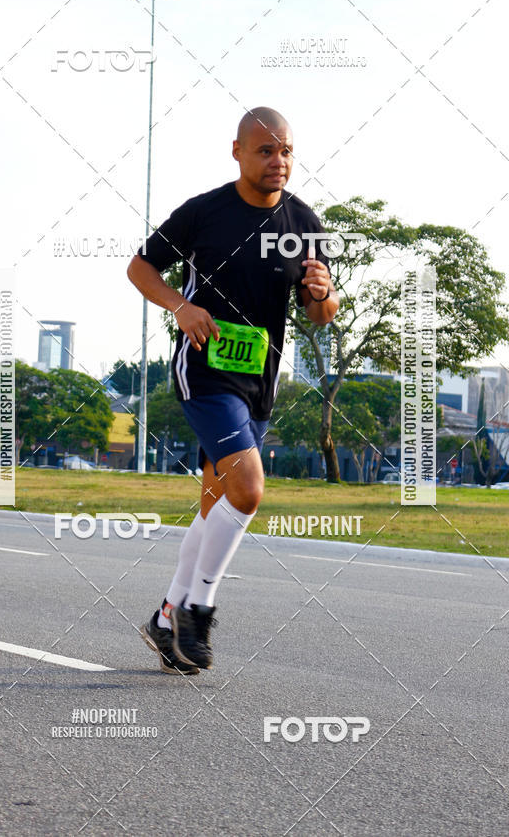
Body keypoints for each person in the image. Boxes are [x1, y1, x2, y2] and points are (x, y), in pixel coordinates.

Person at [127, 106, 339, 674]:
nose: (278, 161)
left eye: (286, 151)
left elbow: (320, 314)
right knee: (247, 490)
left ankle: (165, 620)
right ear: (238, 152)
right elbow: (140, 268)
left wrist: (323, 292)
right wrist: (180, 306)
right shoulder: (205, 213)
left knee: (215, 506)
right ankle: (198, 609)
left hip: (259, 382)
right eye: (266, 150)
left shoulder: (303, 223)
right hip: (204, 370)